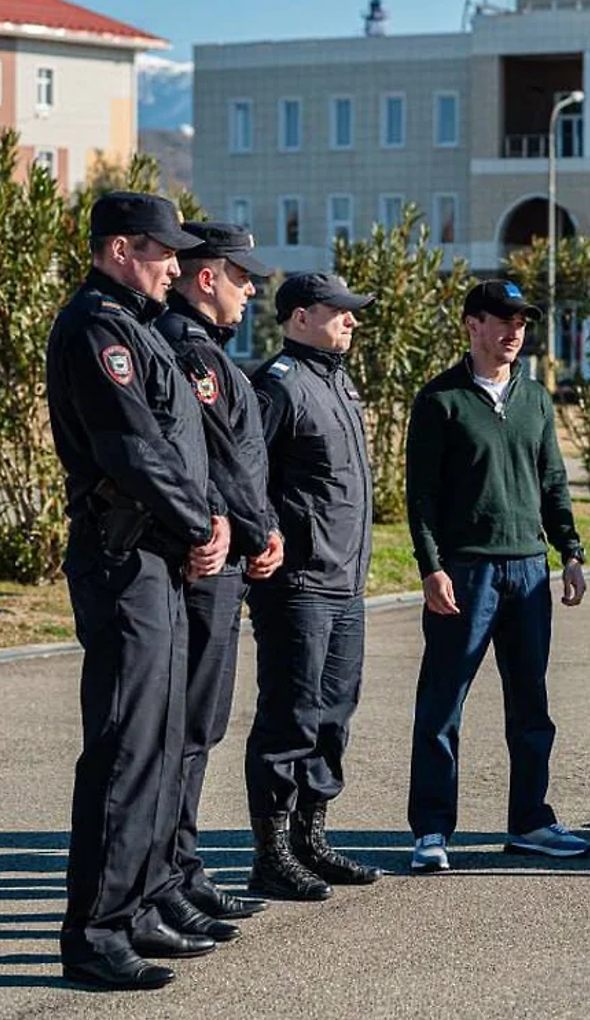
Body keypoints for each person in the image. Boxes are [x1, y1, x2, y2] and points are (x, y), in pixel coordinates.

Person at [47, 192, 228, 990]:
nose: (175, 266)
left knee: (156, 744)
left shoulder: (139, 328)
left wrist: (209, 518)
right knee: (124, 749)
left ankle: (142, 902)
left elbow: (180, 448)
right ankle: (94, 932)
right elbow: (131, 451)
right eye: (162, 253)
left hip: (157, 558)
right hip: (124, 560)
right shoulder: (98, 328)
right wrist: (199, 524)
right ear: (121, 249)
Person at [404, 279, 590, 873]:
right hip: (465, 572)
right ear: (472, 325)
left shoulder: (535, 399)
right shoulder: (440, 400)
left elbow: (553, 483)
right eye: (502, 321)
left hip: (528, 570)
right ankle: (431, 830)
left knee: (531, 705)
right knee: (443, 704)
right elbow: (422, 497)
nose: (514, 333)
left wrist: (571, 552)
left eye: (522, 323)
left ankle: (531, 822)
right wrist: (431, 568)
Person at [153, 221, 283, 927]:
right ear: (207, 278)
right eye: (242, 277)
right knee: (189, 725)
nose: (252, 289)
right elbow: (220, 455)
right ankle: (169, 875)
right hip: (206, 560)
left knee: (201, 723)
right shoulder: (186, 349)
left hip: (229, 554)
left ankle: (183, 866)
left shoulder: (207, 349)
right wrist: (260, 527)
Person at [245, 273, 381, 900]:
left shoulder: (337, 380)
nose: (351, 321)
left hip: (345, 581)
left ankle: (311, 838)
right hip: (298, 583)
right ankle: (271, 854)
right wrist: (267, 533)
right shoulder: (278, 385)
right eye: (340, 312)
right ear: (300, 317)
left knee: (333, 719)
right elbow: (245, 474)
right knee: (290, 718)